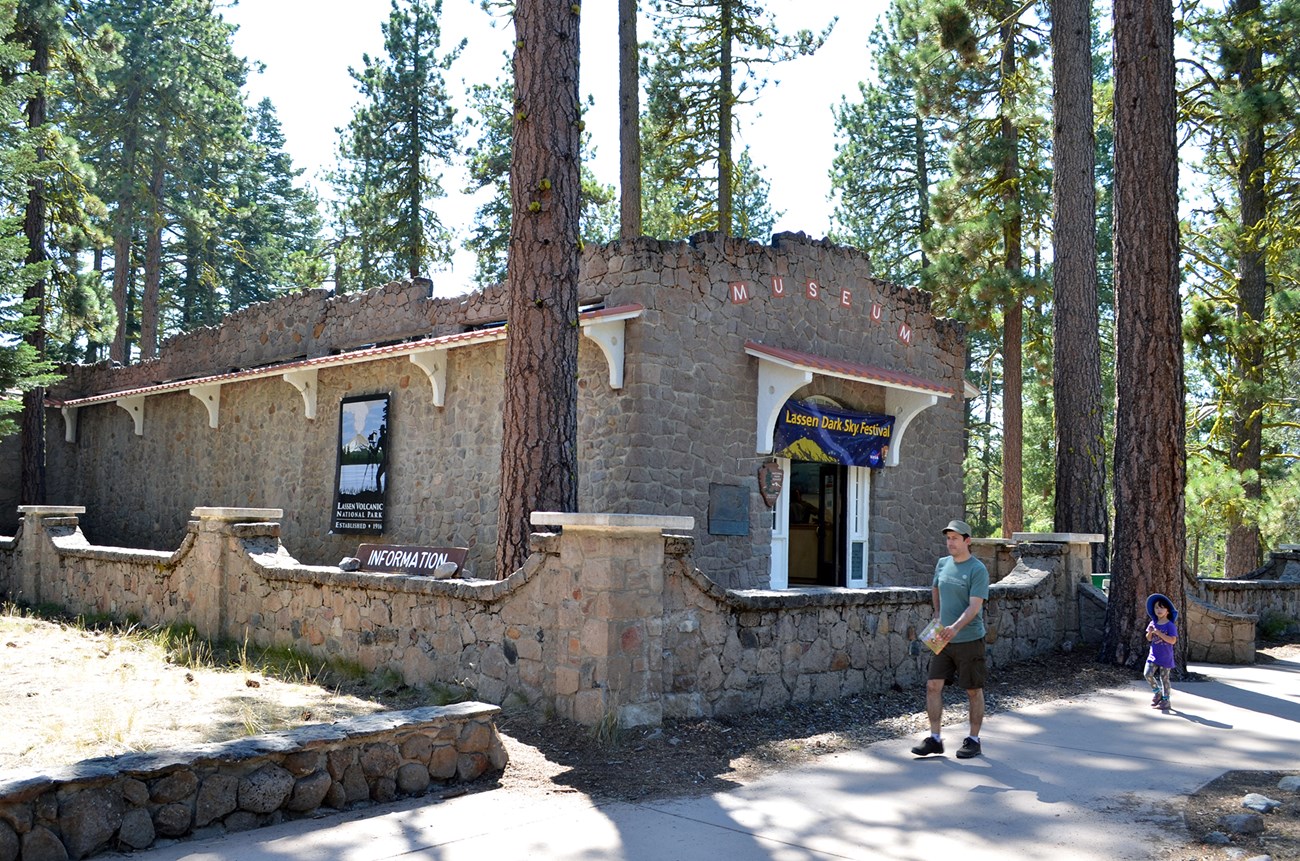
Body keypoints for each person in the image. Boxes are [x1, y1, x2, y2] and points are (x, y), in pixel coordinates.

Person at [911, 519, 990, 760]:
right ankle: (935, 739)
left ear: (967, 541)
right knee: (932, 685)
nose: (950, 542)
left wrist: (955, 627)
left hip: (969, 638)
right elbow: (935, 588)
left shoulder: (978, 570)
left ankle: (973, 740)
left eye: (955, 538)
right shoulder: (942, 564)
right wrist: (937, 614)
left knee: (973, 690)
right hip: (942, 638)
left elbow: (974, 607)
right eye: (948, 538)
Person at [1144, 593, 1179, 711]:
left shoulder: (1170, 625)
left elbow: (1173, 640)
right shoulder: (1153, 623)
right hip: (1153, 655)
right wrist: (1150, 632)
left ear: (1167, 611)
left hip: (1165, 656)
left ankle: (1166, 700)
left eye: (1162, 607)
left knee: (1164, 678)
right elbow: (1148, 638)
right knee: (1147, 674)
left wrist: (1159, 634)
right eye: (1156, 608)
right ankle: (1157, 693)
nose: (1159, 610)